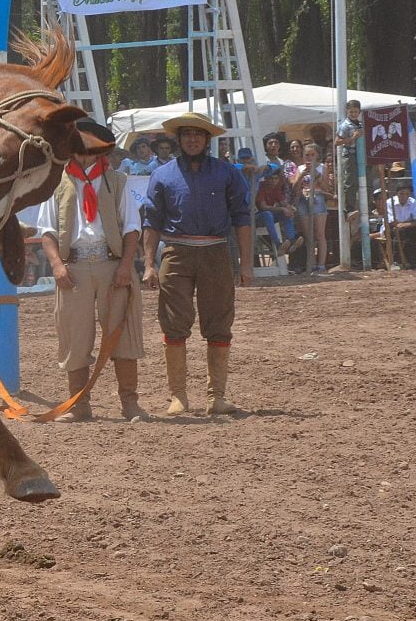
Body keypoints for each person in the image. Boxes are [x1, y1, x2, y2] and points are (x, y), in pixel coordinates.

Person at [34, 120, 147, 422]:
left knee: (122, 334)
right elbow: (47, 231)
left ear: (100, 151)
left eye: (90, 150)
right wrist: (56, 265)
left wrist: (126, 266)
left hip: (113, 265)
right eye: (80, 149)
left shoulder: (118, 181)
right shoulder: (57, 183)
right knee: (75, 336)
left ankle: (130, 403)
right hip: (74, 268)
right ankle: (78, 404)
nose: (85, 155)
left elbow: (132, 228)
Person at [141, 112, 253, 417]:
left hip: (216, 252)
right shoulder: (162, 176)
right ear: (178, 139)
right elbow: (151, 221)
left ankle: (217, 396)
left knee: (219, 322)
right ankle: (178, 396)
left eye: (199, 134)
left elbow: (242, 218)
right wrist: (149, 264)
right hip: (176, 253)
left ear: (208, 140)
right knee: (173, 321)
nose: (192, 139)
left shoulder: (227, 173)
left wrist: (245, 263)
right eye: (187, 134)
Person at [292, 142, 331, 273]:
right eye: (307, 155)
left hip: (318, 198)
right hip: (303, 199)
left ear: (317, 156)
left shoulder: (322, 168)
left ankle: (321, 265)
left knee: (320, 234)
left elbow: (326, 188)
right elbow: (295, 187)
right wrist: (302, 175)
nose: (309, 158)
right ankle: (312, 264)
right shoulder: (300, 168)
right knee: (308, 236)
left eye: (312, 155)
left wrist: (316, 175)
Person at [382, 180, 416, 268]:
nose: (404, 196)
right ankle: (396, 261)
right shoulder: (389, 202)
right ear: (397, 193)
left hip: (407, 227)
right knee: (399, 232)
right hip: (391, 228)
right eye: (401, 193)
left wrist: (405, 225)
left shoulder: (412, 202)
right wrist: (404, 225)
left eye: (407, 194)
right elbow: (391, 221)